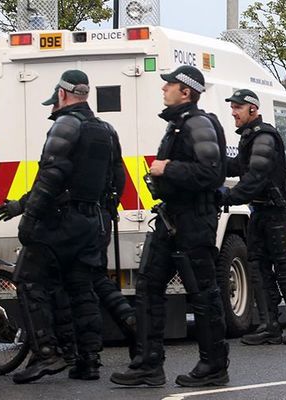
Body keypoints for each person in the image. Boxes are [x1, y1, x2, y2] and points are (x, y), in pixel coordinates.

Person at [0, 88, 136, 380]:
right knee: (81, 287)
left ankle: (47, 353)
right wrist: (105, 213)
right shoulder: (106, 130)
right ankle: (88, 361)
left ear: (62, 93)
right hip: (93, 222)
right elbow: (118, 177)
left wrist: (29, 216)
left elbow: (50, 176)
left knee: (29, 280)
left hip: (62, 221)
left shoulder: (65, 125)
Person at [110, 65, 229, 387]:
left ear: (186, 91)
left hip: (194, 221)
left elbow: (210, 174)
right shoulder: (178, 125)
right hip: (170, 218)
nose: (164, 89)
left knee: (203, 293)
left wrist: (168, 168)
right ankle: (148, 364)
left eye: (170, 85)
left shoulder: (198, 123)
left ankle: (214, 366)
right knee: (148, 286)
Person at [219, 89, 286, 346]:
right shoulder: (250, 137)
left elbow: (255, 177)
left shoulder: (264, 136)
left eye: (238, 108)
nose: (234, 113)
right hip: (260, 213)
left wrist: (226, 197)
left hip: (277, 213)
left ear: (253, 109)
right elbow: (239, 167)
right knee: (257, 268)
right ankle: (269, 325)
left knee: (284, 269)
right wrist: (210, 160)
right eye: (233, 107)